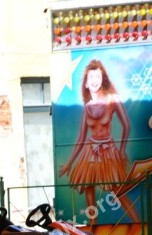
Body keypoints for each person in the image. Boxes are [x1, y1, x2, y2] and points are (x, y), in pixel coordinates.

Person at [58, 59, 140, 224]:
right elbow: (81, 138)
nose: (94, 80)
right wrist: (69, 163)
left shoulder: (113, 99)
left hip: (108, 150)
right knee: (89, 188)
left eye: (98, 76)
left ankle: (139, 224)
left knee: (117, 190)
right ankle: (93, 227)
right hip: (90, 151)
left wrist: (122, 149)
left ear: (103, 79)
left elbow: (126, 125)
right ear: (86, 84)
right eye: (91, 77)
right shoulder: (87, 106)